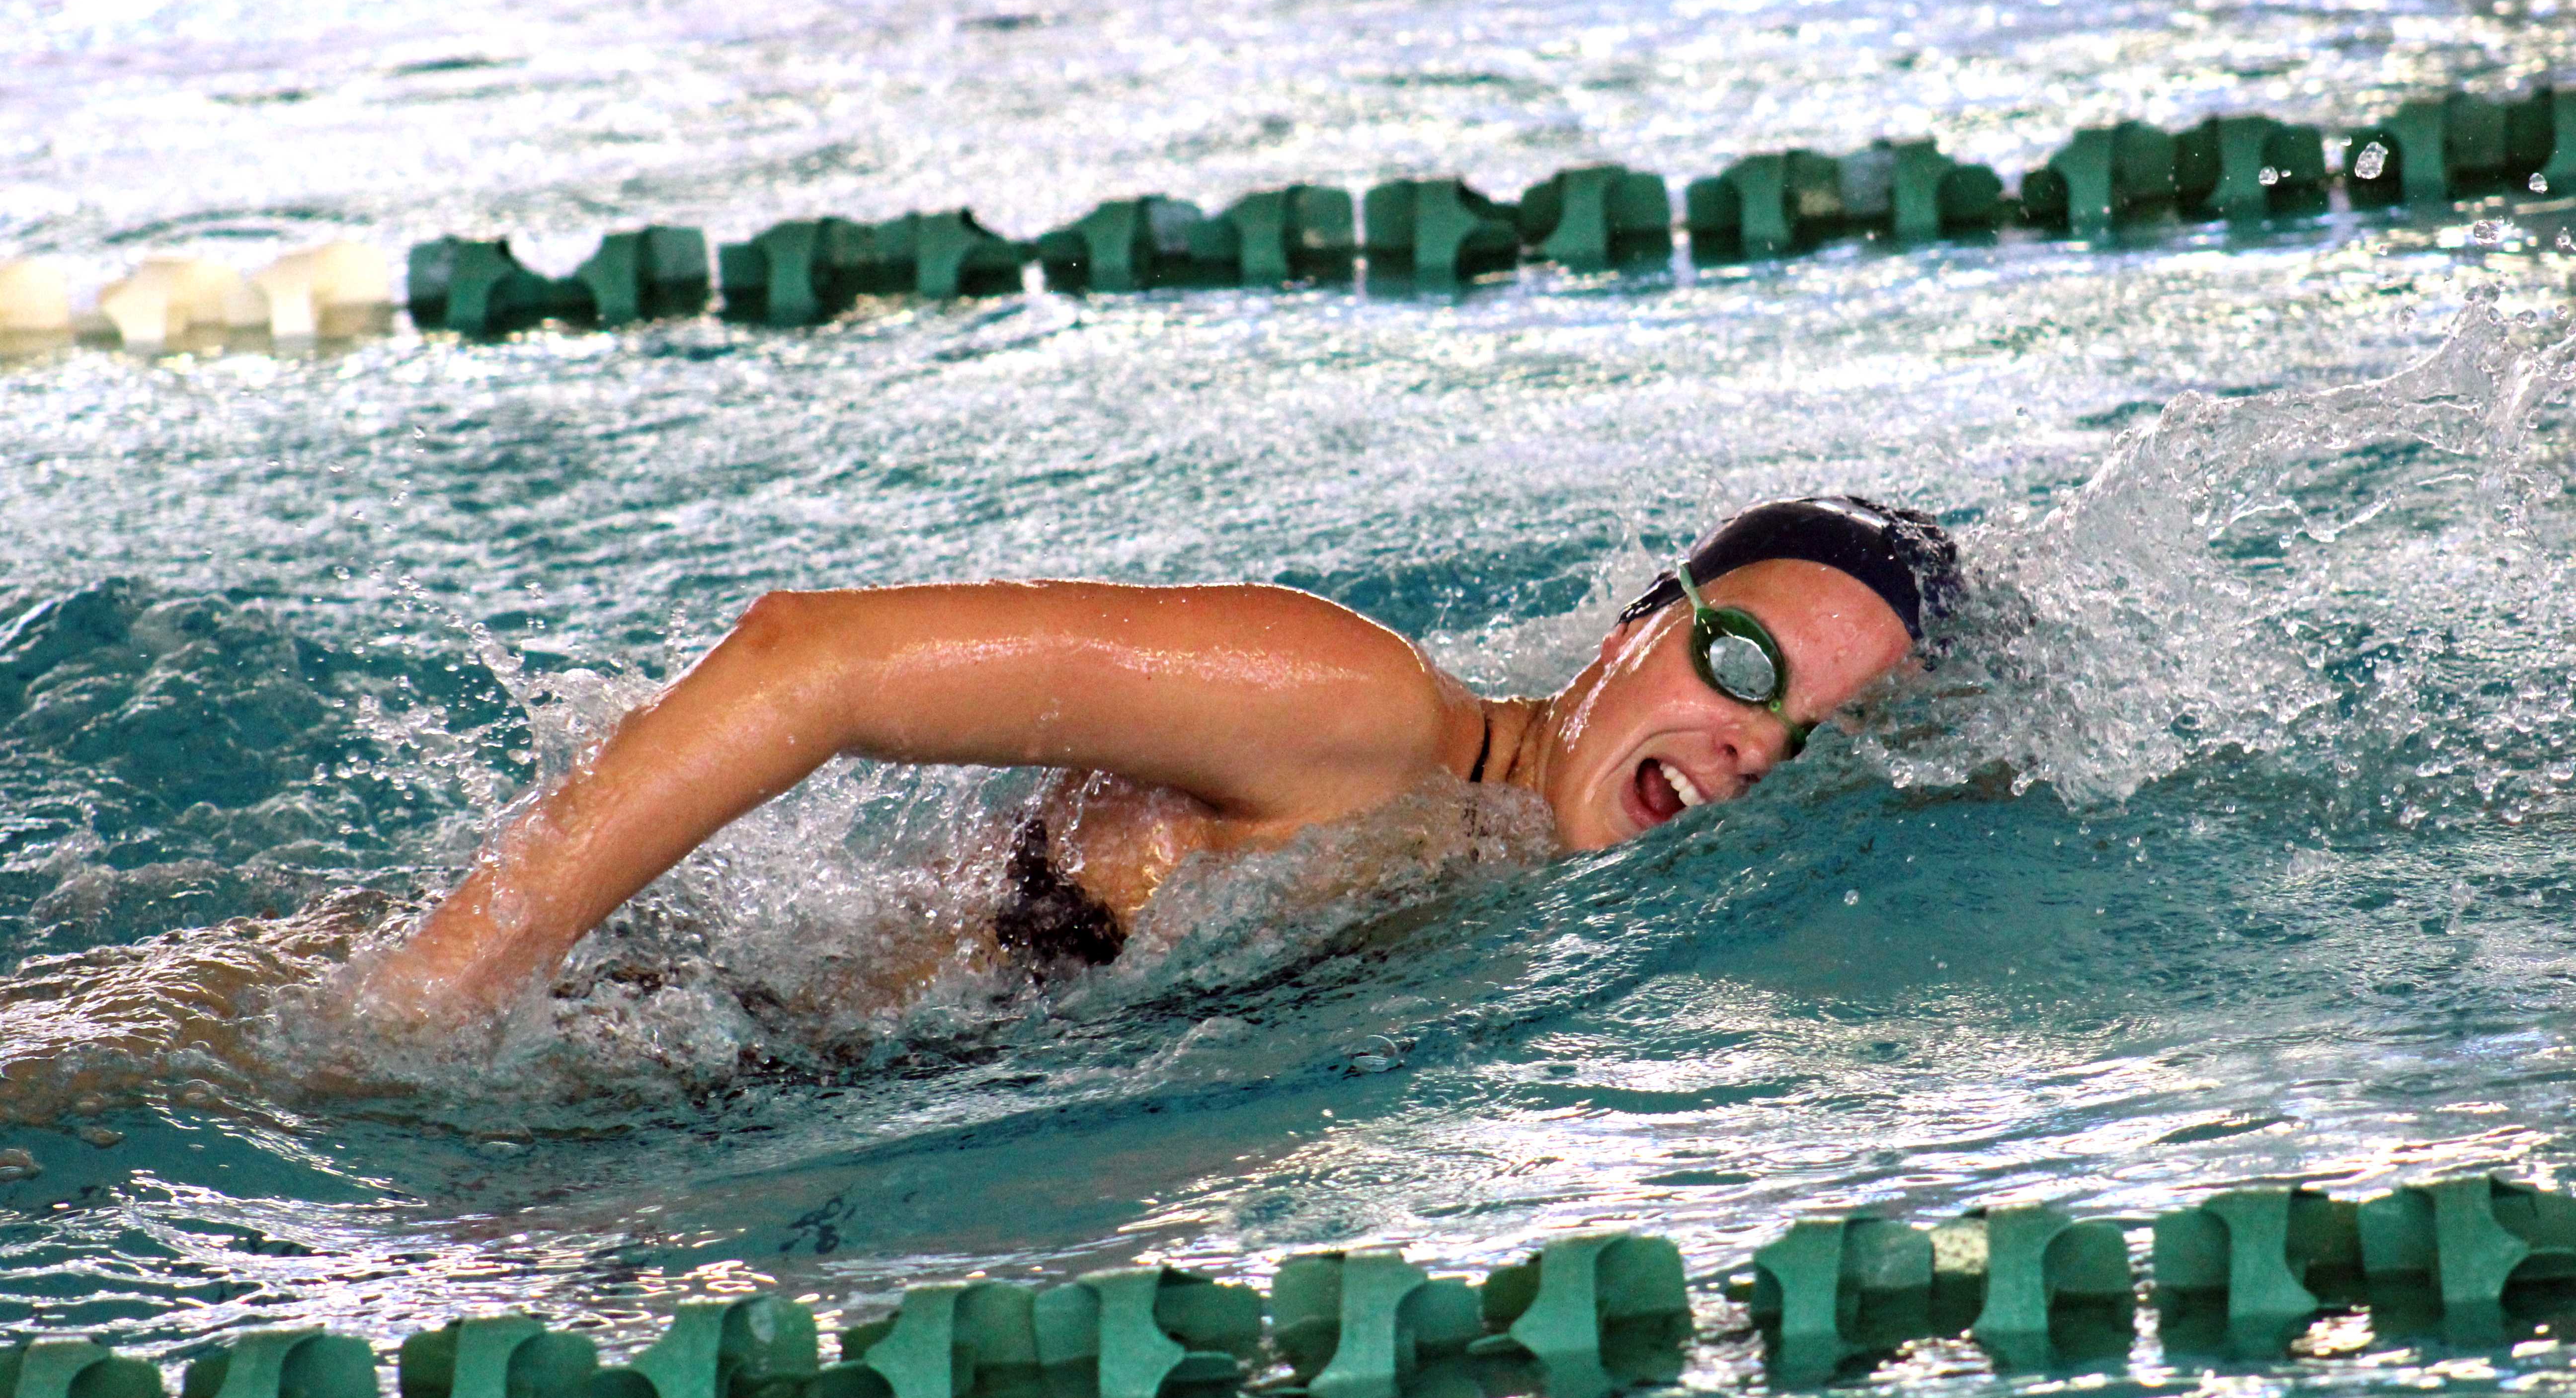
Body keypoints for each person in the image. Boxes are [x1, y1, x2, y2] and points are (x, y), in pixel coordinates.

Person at [358, 495, 1960, 1024]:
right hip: (595, 1035)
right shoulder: (1364, 714)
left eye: (1815, 734)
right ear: (1629, 628)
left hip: (705, 1073)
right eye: (1743, 664)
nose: (1755, 742)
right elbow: (814, 659)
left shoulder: (1492, 847)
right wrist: (446, 987)